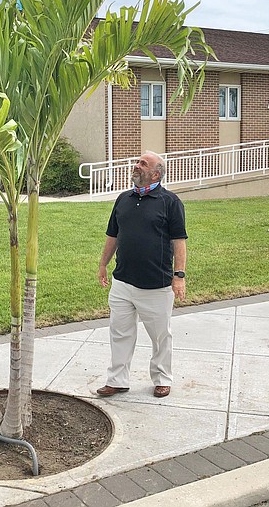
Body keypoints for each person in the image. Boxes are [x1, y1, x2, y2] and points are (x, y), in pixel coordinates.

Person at [96, 151, 187, 399]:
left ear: (156, 173)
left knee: (160, 337)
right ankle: (117, 380)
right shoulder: (123, 199)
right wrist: (103, 264)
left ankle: (162, 379)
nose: (136, 166)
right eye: (137, 162)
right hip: (123, 281)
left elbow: (179, 241)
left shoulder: (170, 202)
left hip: (156, 285)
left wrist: (179, 276)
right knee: (120, 333)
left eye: (142, 164)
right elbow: (113, 235)